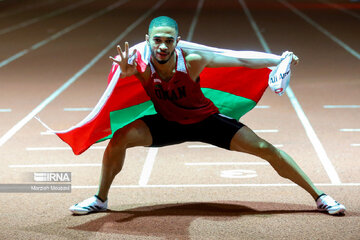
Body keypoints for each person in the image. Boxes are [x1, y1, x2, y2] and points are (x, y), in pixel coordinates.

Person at [69, 16, 346, 215]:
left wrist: (278, 60)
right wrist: (125, 75)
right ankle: (100, 199)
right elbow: (118, 90)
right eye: (157, 41)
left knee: (265, 149)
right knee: (118, 139)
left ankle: (320, 197)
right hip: (167, 124)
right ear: (148, 41)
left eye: (168, 41)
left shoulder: (191, 61)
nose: (162, 46)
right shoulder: (138, 64)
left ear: (177, 41)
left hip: (205, 122)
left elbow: (238, 58)